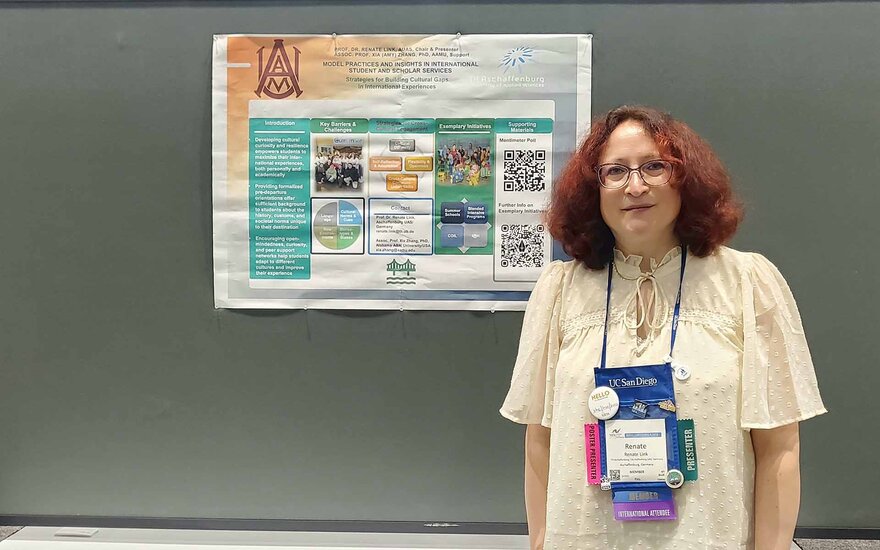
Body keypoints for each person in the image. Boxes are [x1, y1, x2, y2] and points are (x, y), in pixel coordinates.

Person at [500, 106, 826, 550]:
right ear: (593, 189)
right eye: (615, 171)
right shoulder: (559, 291)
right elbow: (540, 439)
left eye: (654, 166)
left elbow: (779, 447)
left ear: (685, 178)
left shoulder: (748, 283)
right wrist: (540, 539)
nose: (635, 186)